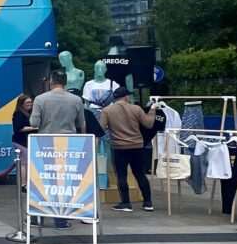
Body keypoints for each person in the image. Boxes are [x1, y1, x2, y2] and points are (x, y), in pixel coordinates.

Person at [28, 69, 86, 228]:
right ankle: (61, 219)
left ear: (51, 81)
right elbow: (81, 123)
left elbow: (34, 123)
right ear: (65, 82)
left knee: (43, 182)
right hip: (70, 145)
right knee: (64, 183)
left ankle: (36, 217)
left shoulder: (40, 99)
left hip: (45, 144)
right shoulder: (76, 100)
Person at [99, 88, 157, 212]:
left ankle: (125, 203)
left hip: (119, 147)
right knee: (140, 174)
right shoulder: (136, 108)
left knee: (121, 175)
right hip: (137, 146)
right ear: (126, 97)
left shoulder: (107, 111)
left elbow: (101, 129)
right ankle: (148, 202)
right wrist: (152, 110)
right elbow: (148, 124)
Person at [12, 94, 33, 188]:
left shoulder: (32, 113)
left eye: (31, 102)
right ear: (21, 103)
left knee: (27, 162)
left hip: (29, 141)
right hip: (20, 141)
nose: (30, 104)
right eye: (27, 102)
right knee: (24, 163)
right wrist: (34, 127)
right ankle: (23, 184)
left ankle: (28, 183)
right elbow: (18, 128)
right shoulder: (18, 114)